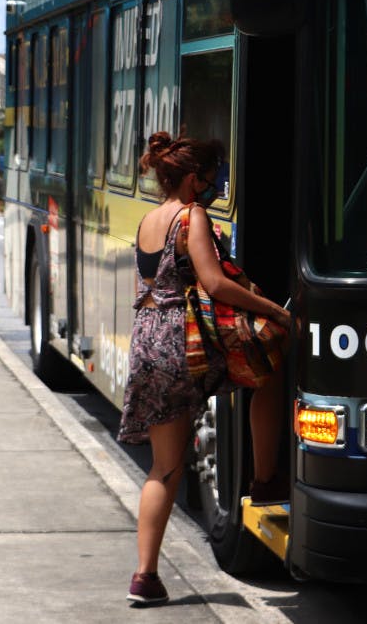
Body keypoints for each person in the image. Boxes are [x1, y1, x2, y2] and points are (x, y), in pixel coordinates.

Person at [118, 131, 291, 607]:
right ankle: (264, 477)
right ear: (195, 179)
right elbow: (214, 283)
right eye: (213, 176)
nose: (216, 184)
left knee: (165, 466)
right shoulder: (191, 216)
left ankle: (145, 576)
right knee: (267, 369)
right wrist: (273, 310)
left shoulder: (149, 219)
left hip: (147, 338)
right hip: (183, 341)